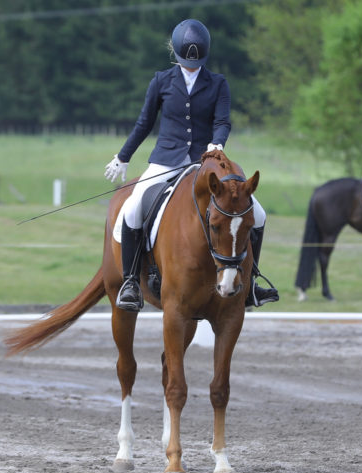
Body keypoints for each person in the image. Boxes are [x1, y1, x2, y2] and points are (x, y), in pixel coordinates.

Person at [103, 18, 279, 312]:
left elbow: (222, 121)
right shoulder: (161, 81)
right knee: (132, 209)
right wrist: (123, 156)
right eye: (186, 62)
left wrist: (217, 143)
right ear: (175, 54)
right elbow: (145, 123)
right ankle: (132, 281)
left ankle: (250, 283)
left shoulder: (218, 83)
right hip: (166, 161)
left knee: (257, 214)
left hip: (205, 164)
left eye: (196, 63)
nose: (191, 67)